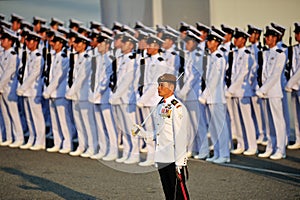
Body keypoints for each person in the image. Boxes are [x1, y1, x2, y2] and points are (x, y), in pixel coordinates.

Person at [133, 73, 189, 200]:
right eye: (158, 85)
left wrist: (180, 163)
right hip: (162, 156)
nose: (158, 88)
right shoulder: (159, 106)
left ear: (171, 88)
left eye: (162, 85)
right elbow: (159, 133)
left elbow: (180, 137)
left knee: (179, 194)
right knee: (168, 192)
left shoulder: (177, 107)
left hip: (173, 157)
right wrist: (142, 133)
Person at [199, 30, 231, 164]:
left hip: (216, 97)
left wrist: (204, 95)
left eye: (211, 41)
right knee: (213, 127)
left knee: (220, 127)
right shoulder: (211, 57)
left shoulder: (219, 57)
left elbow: (215, 80)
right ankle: (217, 152)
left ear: (217, 42)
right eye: (208, 40)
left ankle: (224, 154)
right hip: (210, 98)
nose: (208, 43)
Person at [226, 28, 257, 156]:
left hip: (243, 91)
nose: (235, 40)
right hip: (234, 91)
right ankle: (241, 144)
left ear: (243, 40)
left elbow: (243, 73)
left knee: (247, 120)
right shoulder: (234, 53)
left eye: (237, 38)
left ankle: (252, 145)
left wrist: (231, 88)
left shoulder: (247, 54)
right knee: (237, 120)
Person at [109, 32, 140, 164]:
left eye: (125, 42)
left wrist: (116, 95)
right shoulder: (122, 59)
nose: (122, 45)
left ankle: (135, 153)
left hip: (127, 98)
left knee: (131, 127)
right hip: (120, 98)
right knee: (123, 126)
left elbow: (127, 81)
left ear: (131, 45)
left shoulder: (132, 60)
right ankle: (127, 151)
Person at [256, 26, 286, 160]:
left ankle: (280, 149)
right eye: (266, 37)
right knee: (268, 122)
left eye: (270, 37)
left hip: (273, 92)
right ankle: (270, 146)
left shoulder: (280, 53)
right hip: (265, 93)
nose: (267, 39)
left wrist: (263, 89)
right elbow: (263, 73)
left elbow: (275, 75)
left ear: (275, 38)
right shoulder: (266, 53)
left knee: (278, 122)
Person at [66, 34, 98, 158]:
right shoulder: (75, 57)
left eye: (78, 43)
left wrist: (71, 91)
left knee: (88, 122)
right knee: (79, 122)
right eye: (75, 43)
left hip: (84, 94)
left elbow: (81, 78)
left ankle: (92, 146)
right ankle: (82, 145)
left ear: (84, 44)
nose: (75, 45)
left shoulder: (88, 57)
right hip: (75, 95)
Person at [43, 33, 75, 154]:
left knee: (63, 119)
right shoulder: (53, 56)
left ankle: (67, 143)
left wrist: (48, 90)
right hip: (51, 93)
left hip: (59, 92)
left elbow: (58, 77)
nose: (52, 44)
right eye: (51, 42)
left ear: (61, 44)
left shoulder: (64, 58)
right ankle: (57, 142)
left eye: (55, 42)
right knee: (54, 120)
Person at [17, 30, 46, 151]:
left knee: (37, 117)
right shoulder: (30, 55)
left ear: (35, 42)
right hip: (26, 91)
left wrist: (22, 87)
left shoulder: (38, 57)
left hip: (33, 90)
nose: (27, 43)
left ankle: (40, 140)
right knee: (29, 116)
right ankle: (32, 138)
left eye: (29, 41)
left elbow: (33, 75)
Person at [0, 27, 24, 147]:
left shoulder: (13, 55)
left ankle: (19, 137)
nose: (2, 41)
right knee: (5, 113)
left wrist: (0, 86)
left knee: (13, 113)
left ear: (10, 41)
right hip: (2, 88)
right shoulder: (3, 53)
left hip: (9, 87)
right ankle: (9, 137)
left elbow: (8, 73)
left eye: (4, 39)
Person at [285, 22, 300, 150]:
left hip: (296, 84)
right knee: (296, 115)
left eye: (298, 33)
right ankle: (298, 139)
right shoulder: (294, 49)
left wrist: (290, 83)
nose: (296, 35)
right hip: (295, 87)